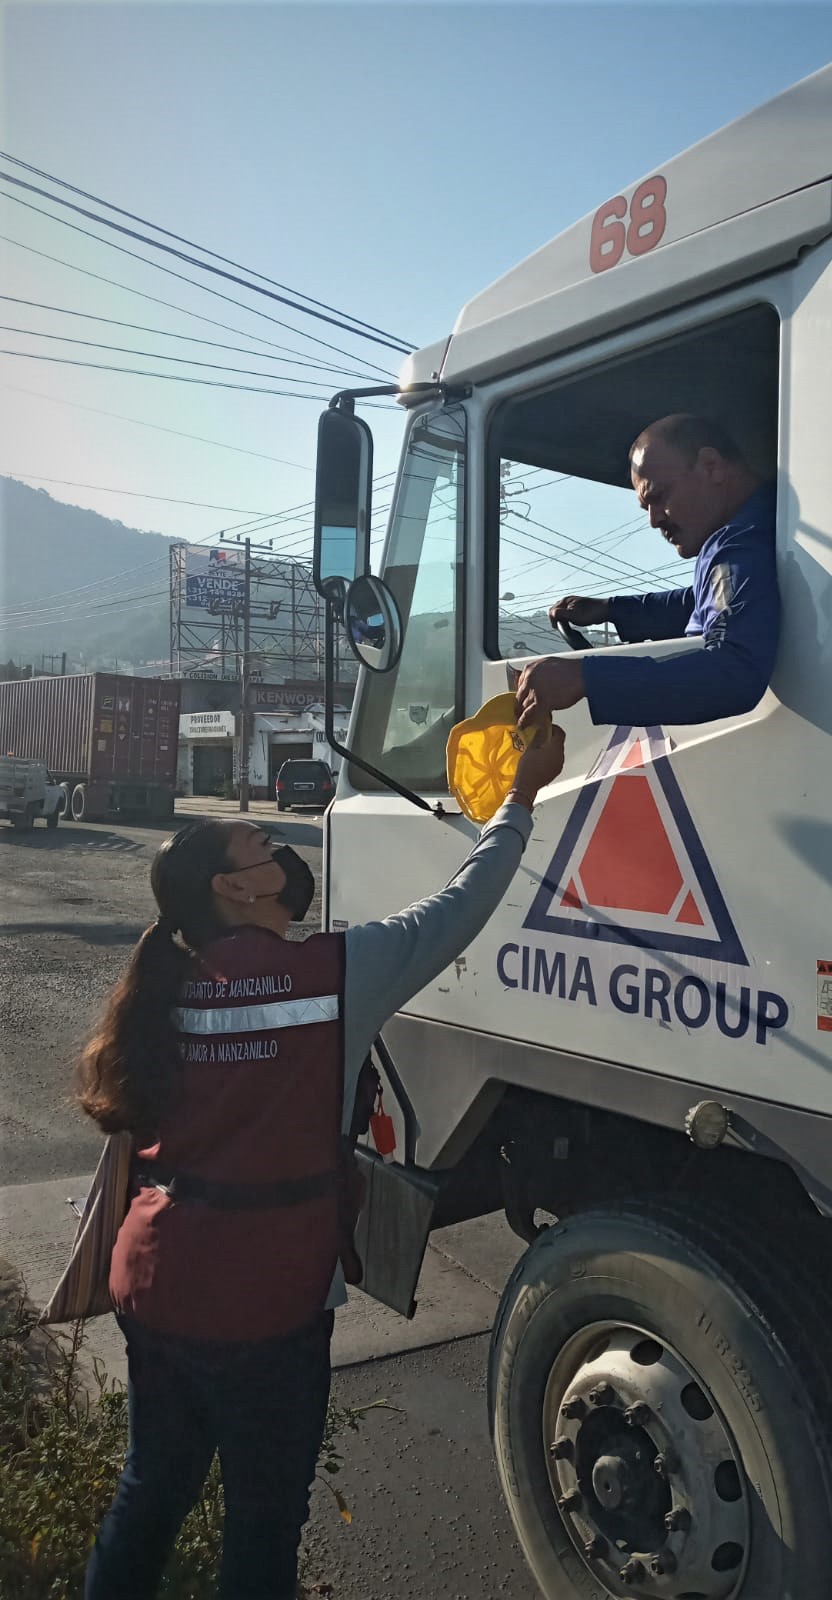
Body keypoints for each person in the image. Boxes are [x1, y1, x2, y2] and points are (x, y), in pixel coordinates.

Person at [78, 726, 564, 1600]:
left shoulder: (164, 988)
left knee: (150, 1493)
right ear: (235, 888)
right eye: (264, 847)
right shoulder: (335, 976)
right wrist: (521, 796)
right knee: (262, 1528)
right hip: (268, 1302)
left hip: (154, 1284)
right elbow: (462, 905)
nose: (283, 852)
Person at [515, 414, 780, 731]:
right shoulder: (767, 524)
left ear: (711, 467)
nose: (654, 520)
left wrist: (586, 677)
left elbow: (734, 672)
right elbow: (703, 602)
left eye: (658, 496)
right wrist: (612, 609)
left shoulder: (741, 543)